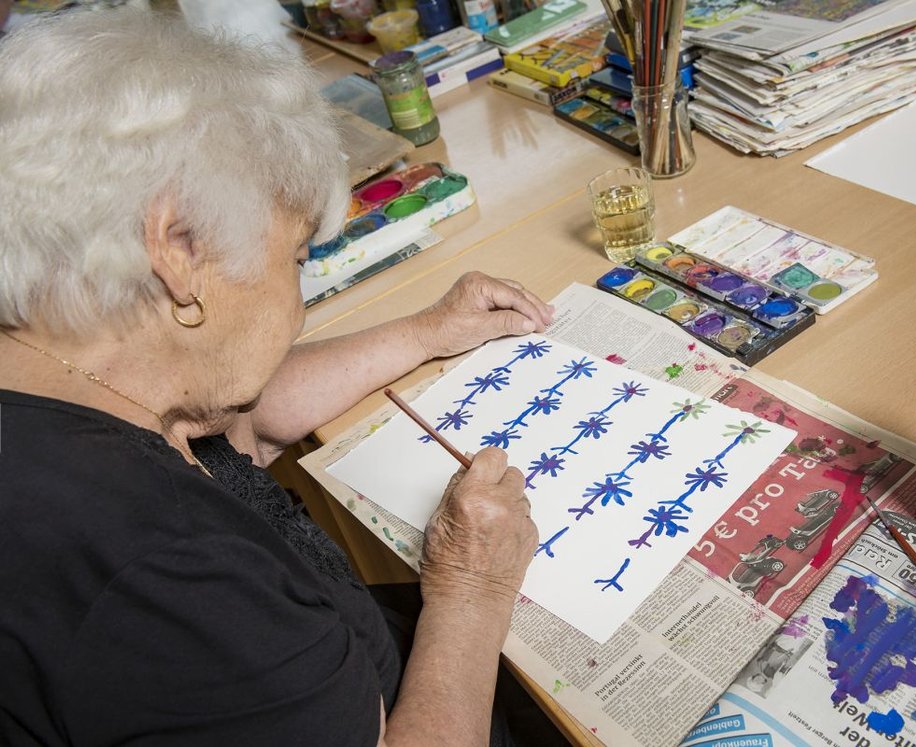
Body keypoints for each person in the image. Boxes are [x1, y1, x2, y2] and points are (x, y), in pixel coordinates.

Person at [0, 9, 566, 746]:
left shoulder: (66, 366)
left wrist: (429, 330)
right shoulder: (173, 582)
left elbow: (241, 421)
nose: (298, 304)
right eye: (297, 257)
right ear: (179, 248)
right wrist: (473, 590)